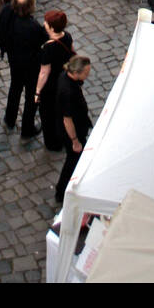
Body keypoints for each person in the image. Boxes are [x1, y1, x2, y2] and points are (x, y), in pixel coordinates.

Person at [0, 0, 45, 139]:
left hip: (14, 59)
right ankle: (27, 128)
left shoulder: (7, 13)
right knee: (31, 96)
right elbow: (41, 43)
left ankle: (10, 118)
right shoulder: (34, 27)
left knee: (15, 87)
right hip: (30, 65)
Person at [54, 55, 93, 205]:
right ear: (76, 73)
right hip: (72, 132)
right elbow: (67, 119)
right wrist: (75, 141)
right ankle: (62, 190)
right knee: (72, 160)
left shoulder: (65, 77)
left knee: (74, 159)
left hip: (75, 126)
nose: (87, 76)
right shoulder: (68, 91)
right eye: (85, 73)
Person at [35, 10, 74, 151]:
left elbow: (44, 72)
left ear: (51, 28)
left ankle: (52, 142)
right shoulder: (67, 37)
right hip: (64, 81)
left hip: (51, 86)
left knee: (48, 114)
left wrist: (37, 91)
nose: (44, 23)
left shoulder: (48, 47)